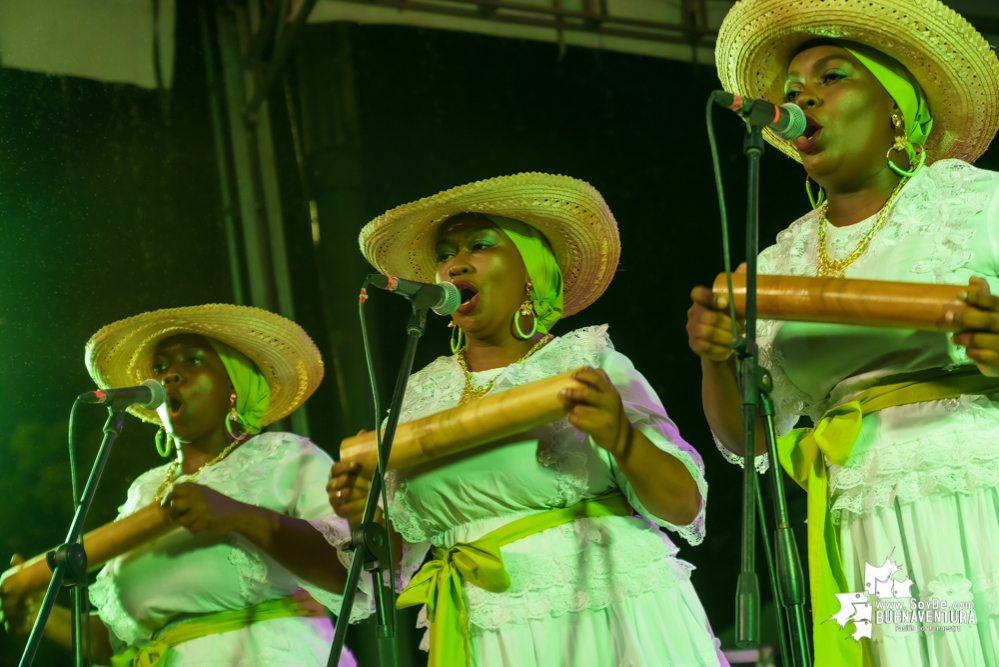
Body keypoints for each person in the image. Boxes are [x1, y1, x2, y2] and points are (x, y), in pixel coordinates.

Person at [689, 1, 999, 665]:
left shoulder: (971, 203)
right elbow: (748, 438)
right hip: (859, 513)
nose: (801, 96)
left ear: (894, 106)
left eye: (831, 76)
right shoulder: (782, 260)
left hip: (972, 487)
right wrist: (716, 360)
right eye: (792, 88)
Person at [329, 173, 728, 666]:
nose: (455, 263)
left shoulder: (585, 364)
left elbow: (683, 505)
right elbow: (392, 557)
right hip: (482, 632)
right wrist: (358, 510)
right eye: (444, 254)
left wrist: (620, 436)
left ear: (530, 271)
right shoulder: (417, 397)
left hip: (601, 611)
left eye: (479, 244)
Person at [0, 304, 361, 666]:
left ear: (234, 386)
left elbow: (352, 572)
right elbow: (125, 641)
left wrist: (240, 517)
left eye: (191, 360)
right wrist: (38, 616)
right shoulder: (145, 489)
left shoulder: (284, 456)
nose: (170, 375)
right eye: (159, 368)